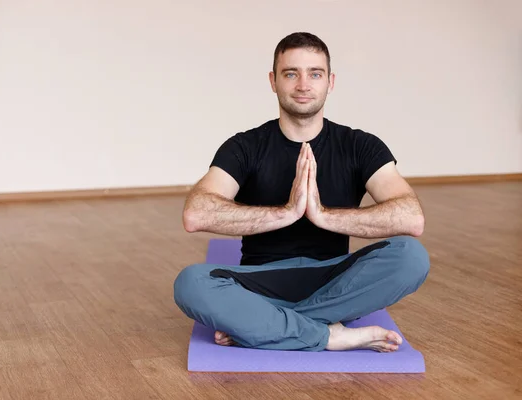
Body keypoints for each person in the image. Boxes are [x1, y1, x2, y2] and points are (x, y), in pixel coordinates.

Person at [173, 32, 430, 352]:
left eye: (315, 74)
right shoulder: (245, 146)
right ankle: (327, 335)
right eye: (291, 73)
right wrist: (286, 212)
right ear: (273, 80)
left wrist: (322, 215)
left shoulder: (360, 146)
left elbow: (411, 218)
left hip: (334, 280)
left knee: (411, 257)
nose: (303, 85)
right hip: (259, 283)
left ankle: (266, 325)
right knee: (190, 284)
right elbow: (196, 213)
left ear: (330, 82)